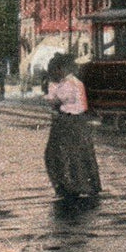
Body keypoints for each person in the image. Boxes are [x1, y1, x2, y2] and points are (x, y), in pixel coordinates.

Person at [44, 54, 102, 200]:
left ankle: (73, 186)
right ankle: (69, 186)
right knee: (67, 155)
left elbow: (81, 106)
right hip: (66, 123)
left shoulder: (72, 83)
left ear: (61, 68)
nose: (54, 74)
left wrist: (59, 105)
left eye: (55, 70)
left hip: (71, 122)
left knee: (69, 155)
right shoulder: (64, 83)